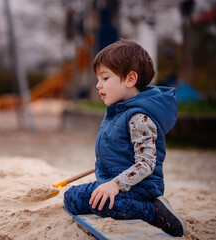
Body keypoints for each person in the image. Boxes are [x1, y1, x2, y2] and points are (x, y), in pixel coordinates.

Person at [63, 39, 187, 237]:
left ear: (130, 79)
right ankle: (113, 197)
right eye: (98, 79)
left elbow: (147, 163)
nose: (98, 85)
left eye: (105, 78)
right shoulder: (117, 111)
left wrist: (115, 184)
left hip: (138, 189)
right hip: (111, 182)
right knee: (71, 198)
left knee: (104, 206)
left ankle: (154, 212)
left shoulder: (139, 118)